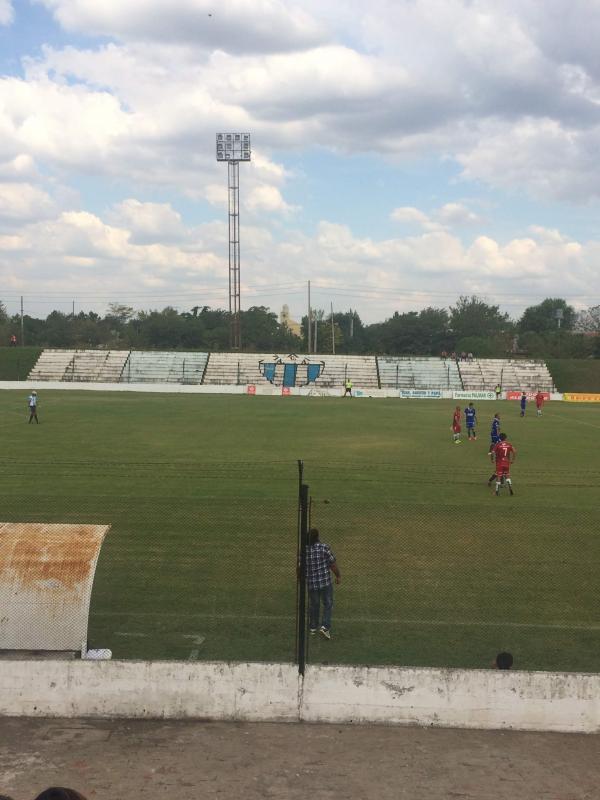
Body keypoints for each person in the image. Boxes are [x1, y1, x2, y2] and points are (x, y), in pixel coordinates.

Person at [306, 527, 341, 640]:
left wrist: (300, 578)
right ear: (317, 537)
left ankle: (312, 627)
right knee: (328, 604)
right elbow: (332, 564)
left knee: (314, 605)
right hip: (325, 582)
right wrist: (338, 576)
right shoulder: (324, 548)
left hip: (312, 583)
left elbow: (300, 567)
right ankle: (325, 627)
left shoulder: (305, 550)